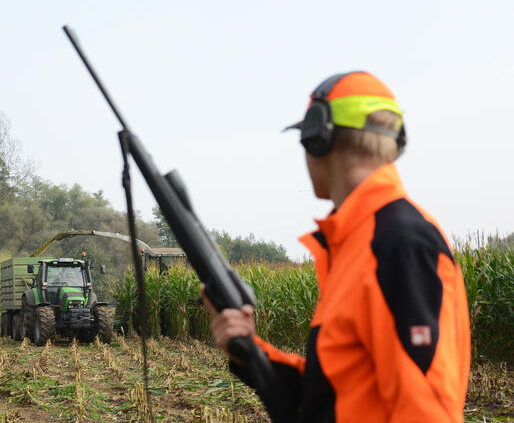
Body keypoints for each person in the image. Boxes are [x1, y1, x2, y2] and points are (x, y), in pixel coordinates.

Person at [202, 72, 471, 423]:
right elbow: (331, 394)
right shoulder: (357, 241)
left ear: (318, 138)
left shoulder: (397, 242)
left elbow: (425, 411)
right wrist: (250, 351)